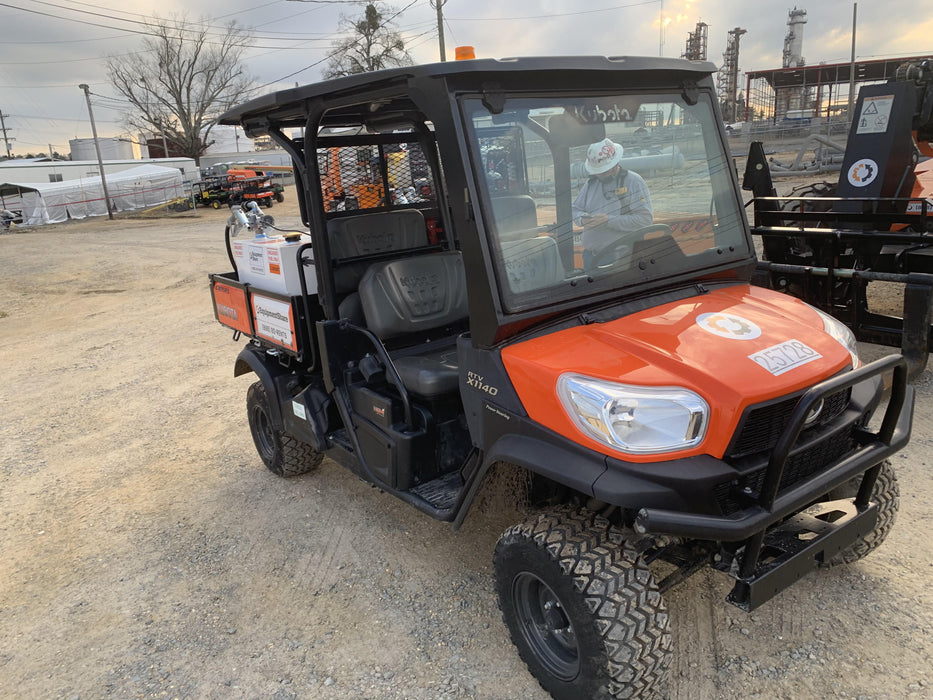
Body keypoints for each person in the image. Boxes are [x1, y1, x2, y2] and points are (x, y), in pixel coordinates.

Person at [572, 138, 653, 269]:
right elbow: (575, 209)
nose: (599, 175)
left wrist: (609, 220)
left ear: (615, 164)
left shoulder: (634, 182)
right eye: (597, 172)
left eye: (603, 171)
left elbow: (645, 220)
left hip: (620, 258)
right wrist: (582, 219)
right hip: (591, 257)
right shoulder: (591, 184)